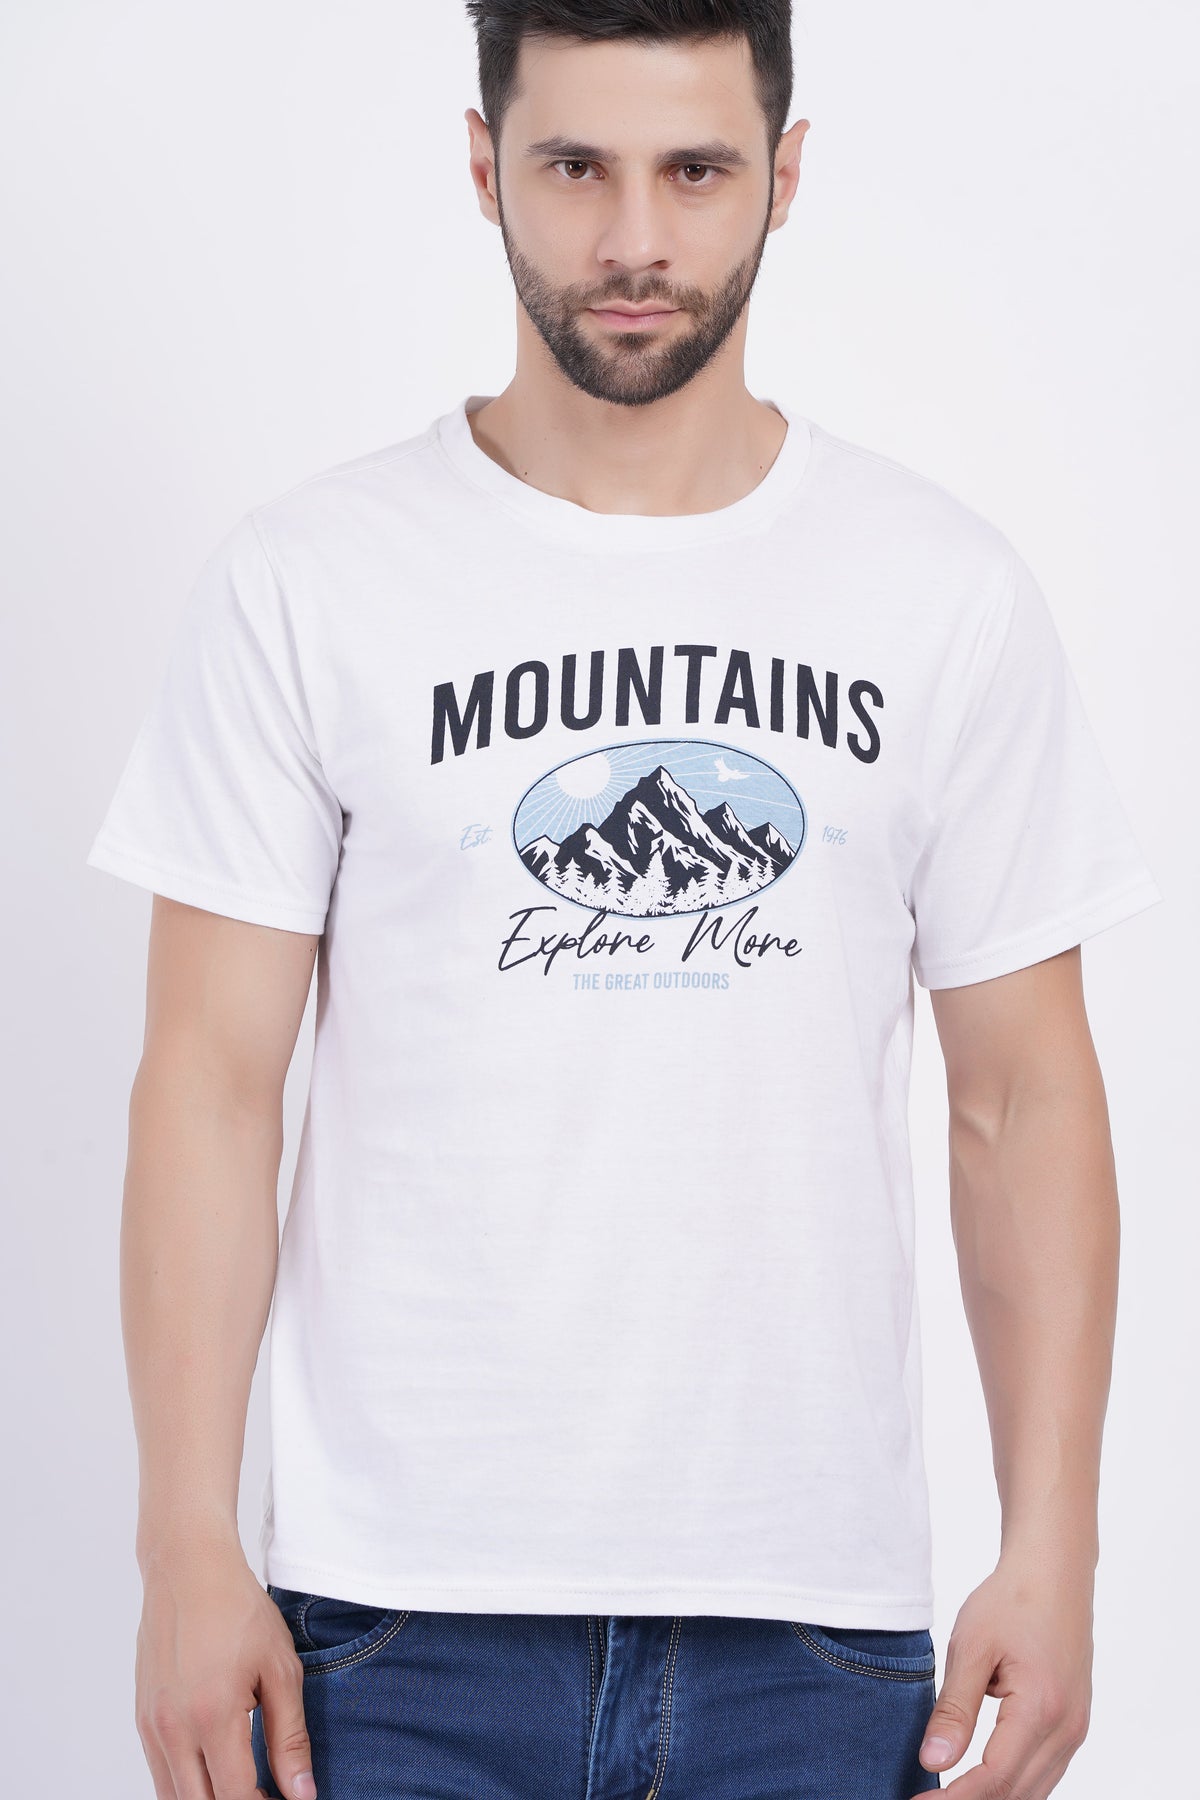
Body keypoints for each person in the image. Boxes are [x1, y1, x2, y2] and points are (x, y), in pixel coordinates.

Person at [85, 4, 1164, 1798]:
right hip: (392, 1628)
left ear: (785, 176)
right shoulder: (310, 583)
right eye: (577, 166)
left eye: (697, 171)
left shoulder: (941, 594)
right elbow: (207, 1085)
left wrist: (1058, 1547)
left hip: (811, 1639)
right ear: (485, 163)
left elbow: (1022, 1096)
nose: (636, 240)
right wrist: (183, 1540)